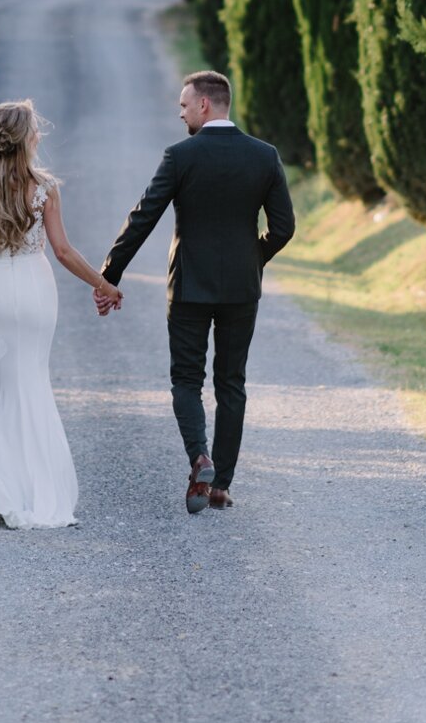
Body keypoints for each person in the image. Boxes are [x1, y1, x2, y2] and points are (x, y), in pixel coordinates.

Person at [97, 70, 294, 514]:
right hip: (242, 289)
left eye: (184, 105)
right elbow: (284, 228)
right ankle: (221, 483)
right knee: (232, 383)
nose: (180, 112)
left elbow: (143, 217)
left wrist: (110, 276)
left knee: (187, 379)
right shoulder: (264, 156)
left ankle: (199, 457)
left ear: (205, 104)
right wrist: (253, 258)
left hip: (188, 287)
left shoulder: (181, 155)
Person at [0, 99, 121, 528]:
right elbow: (62, 251)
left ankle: (3, 487)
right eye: (34, 130)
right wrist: (103, 284)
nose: (39, 135)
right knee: (32, 382)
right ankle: (35, 489)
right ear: (23, 139)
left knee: (2, 385)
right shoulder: (43, 188)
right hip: (35, 290)